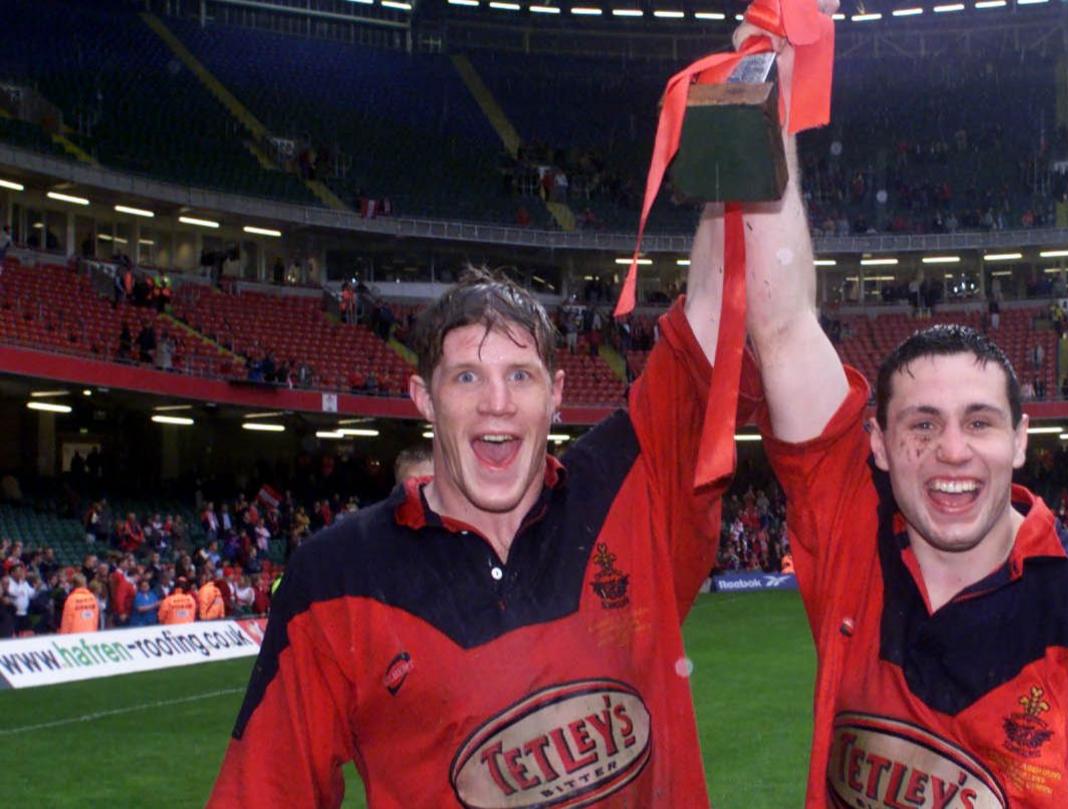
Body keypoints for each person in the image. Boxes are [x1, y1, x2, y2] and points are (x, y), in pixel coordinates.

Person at [736, 43, 1068, 805]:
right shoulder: (851, 547)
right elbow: (785, 328)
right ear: (879, 446)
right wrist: (777, 78)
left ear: (1021, 441)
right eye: (920, 425)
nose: (951, 450)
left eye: (980, 422)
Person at [209, 204, 757, 801]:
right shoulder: (337, 577)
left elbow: (712, 305)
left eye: (521, 375)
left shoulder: (632, 482)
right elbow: (264, 789)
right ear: (424, 397)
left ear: (557, 396)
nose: (497, 402)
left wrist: (719, 122)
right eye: (467, 377)